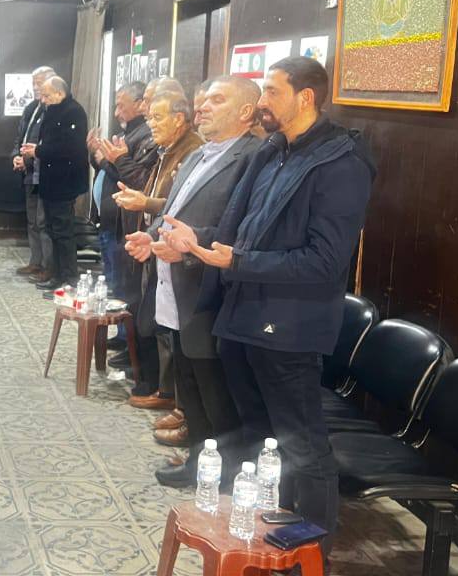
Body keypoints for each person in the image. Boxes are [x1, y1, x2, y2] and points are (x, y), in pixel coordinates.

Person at [161, 56, 375, 554]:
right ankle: (267, 536)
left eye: (273, 91)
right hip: (244, 315)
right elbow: (241, 231)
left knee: (303, 445)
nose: (262, 101)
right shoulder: (274, 150)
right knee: (261, 436)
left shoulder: (341, 164)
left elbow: (324, 262)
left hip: (291, 326)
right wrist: (197, 242)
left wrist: (238, 260)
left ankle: (310, 555)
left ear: (306, 97)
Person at [122, 76, 262, 486]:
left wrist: (188, 247)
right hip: (177, 288)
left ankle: (226, 475)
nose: (203, 107)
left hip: (210, 292)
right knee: (190, 386)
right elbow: (176, 210)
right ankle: (199, 463)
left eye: (217, 100)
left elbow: (241, 228)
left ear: (245, 111)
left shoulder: (253, 158)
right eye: (204, 100)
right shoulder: (201, 152)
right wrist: (151, 237)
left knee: (215, 392)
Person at [114, 79, 203, 411]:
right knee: (152, 318)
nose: (150, 124)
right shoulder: (168, 149)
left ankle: (171, 396)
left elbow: (179, 204)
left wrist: (146, 203)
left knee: (167, 325)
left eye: (157, 117)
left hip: (177, 250)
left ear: (179, 119)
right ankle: (164, 389)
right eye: (149, 117)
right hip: (154, 240)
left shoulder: (193, 150)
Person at [83, 80, 157, 353]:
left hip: (124, 223)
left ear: (139, 104)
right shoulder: (129, 133)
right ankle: (122, 334)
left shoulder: (146, 136)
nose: (116, 113)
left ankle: (130, 342)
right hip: (110, 220)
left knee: (125, 287)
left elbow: (130, 179)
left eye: (121, 106)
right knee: (114, 283)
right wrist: (96, 155)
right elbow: (109, 171)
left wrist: (106, 159)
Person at [20, 75, 87, 290]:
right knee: (51, 229)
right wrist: (37, 149)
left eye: (47, 95)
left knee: (63, 232)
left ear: (60, 93)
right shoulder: (51, 111)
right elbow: (48, 141)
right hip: (48, 180)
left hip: (64, 181)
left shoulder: (74, 112)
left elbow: (69, 147)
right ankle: (56, 275)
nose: (43, 99)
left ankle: (70, 277)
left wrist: (38, 151)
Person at [12, 65, 55, 280]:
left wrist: (30, 157)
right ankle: (35, 262)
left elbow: (50, 145)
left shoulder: (54, 110)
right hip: (29, 173)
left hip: (45, 174)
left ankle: (48, 266)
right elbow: (20, 137)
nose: (36, 88)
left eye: (39, 83)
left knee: (44, 222)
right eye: (34, 84)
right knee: (32, 221)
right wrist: (16, 156)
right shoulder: (31, 108)